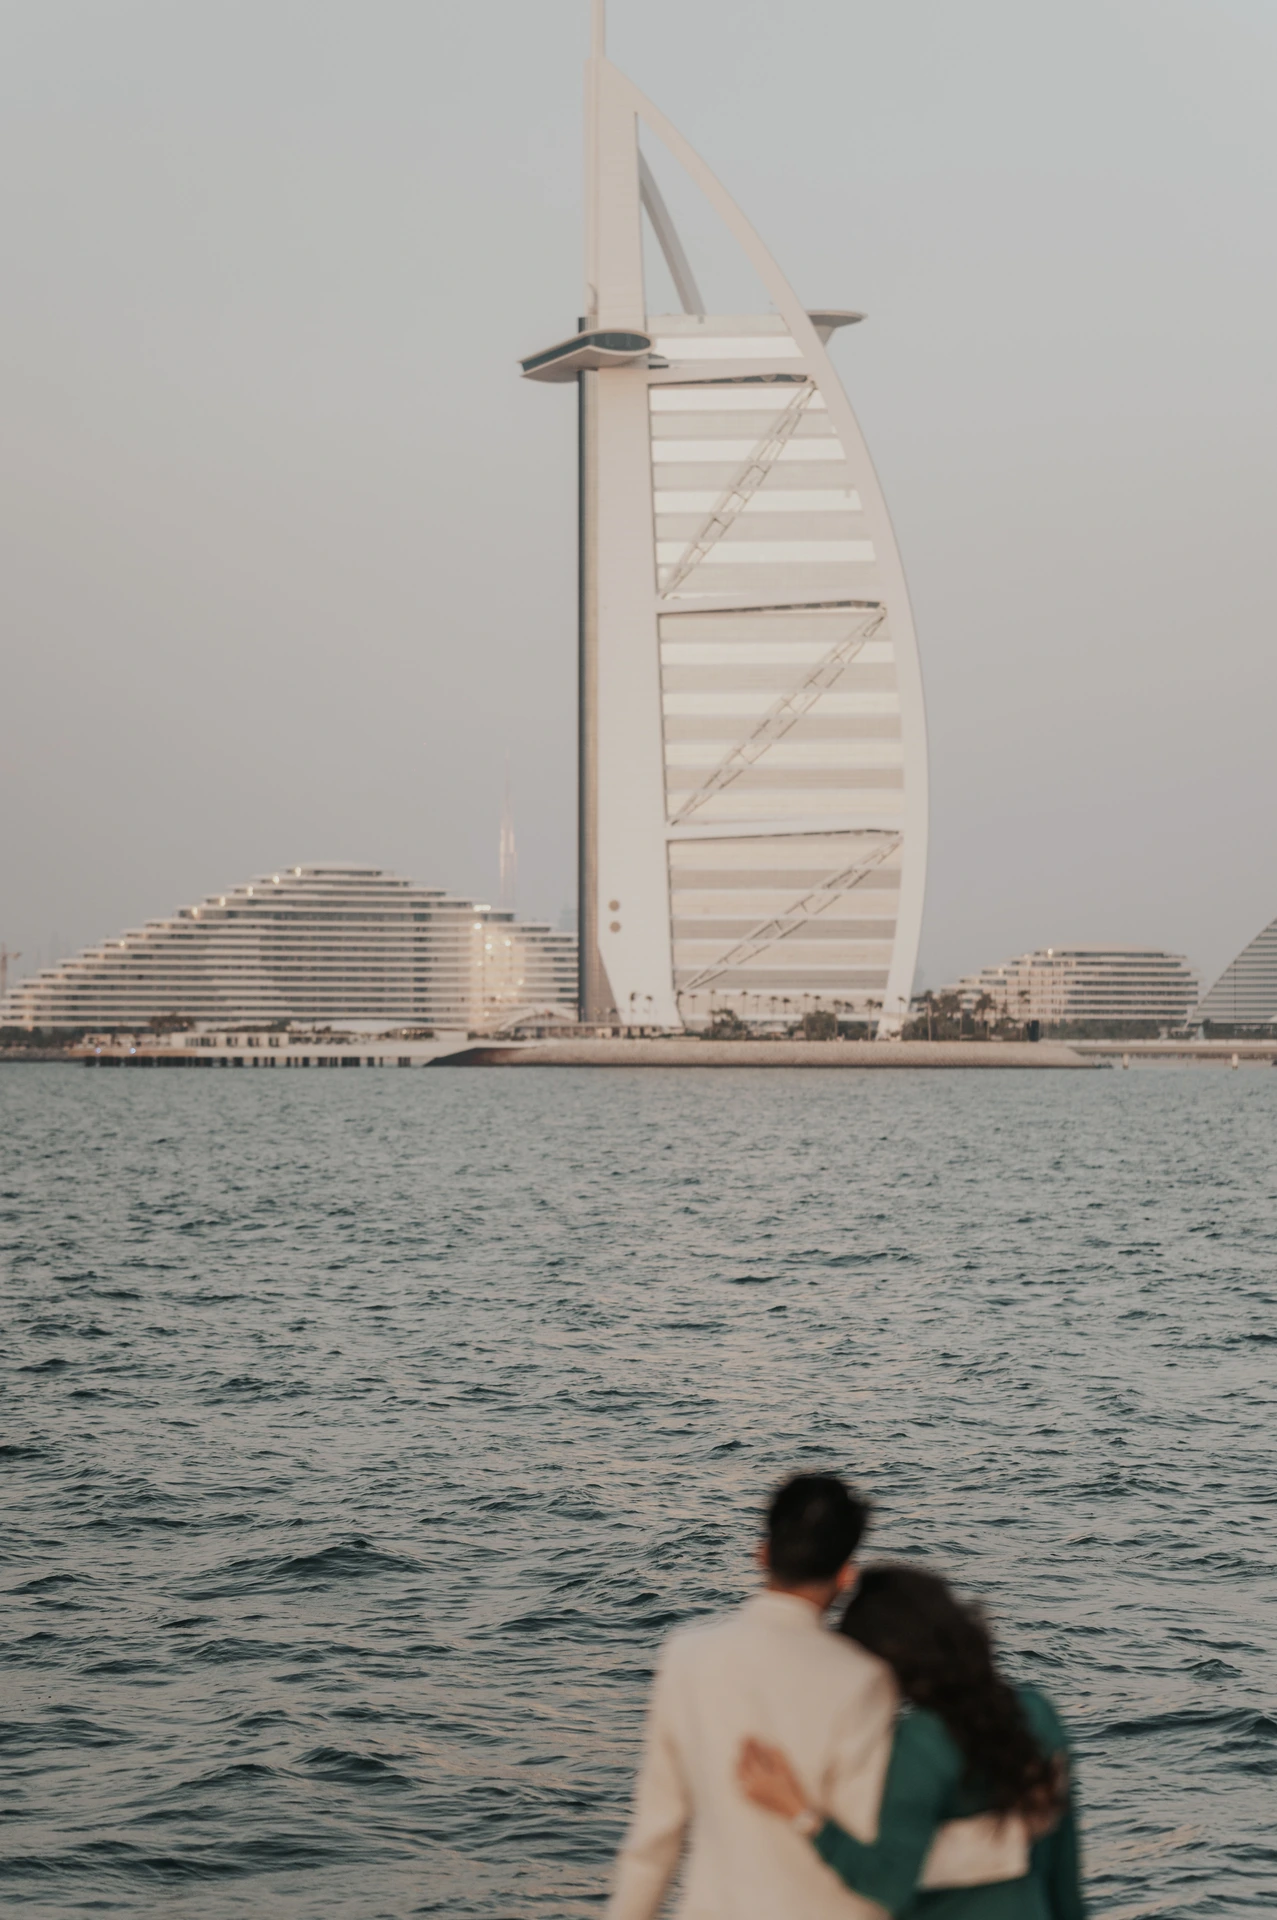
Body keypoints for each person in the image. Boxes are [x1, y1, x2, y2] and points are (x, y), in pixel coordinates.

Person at [606, 1477, 1029, 1920]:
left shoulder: (687, 1656)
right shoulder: (865, 1679)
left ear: (762, 1553)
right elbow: (869, 1837)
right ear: (846, 1575)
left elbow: (655, 1839)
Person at [737, 1563, 1084, 1919]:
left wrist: (799, 1812)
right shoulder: (1037, 1714)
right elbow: (1064, 1874)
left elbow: (884, 1880)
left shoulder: (920, 1745)